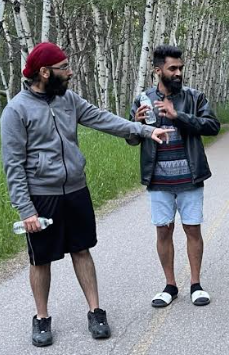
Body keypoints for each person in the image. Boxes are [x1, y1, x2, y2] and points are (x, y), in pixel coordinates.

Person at [0, 42, 172, 347]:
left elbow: (103, 119)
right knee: (41, 259)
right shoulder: (16, 110)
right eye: (64, 67)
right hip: (42, 196)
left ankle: (95, 311)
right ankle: (41, 318)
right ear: (44, 72)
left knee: (82, 250)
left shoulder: (68, 99)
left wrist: (145, 131)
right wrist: (26, 210)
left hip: (76, 190)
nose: (70, 72)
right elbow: (13, 165)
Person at [127, 45, 220, 309]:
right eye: (172, 68)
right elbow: (131, 139)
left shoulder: (194, 97)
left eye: (180, 68)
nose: (178, 73)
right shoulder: (142, 99)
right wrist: (137, 123)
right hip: (158, 180)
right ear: (158, 71)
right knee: (163, 230)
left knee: (192, 229)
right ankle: (170, 285)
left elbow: (213, 126)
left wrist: (178, 116)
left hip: (190, 177)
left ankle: (196, 284)